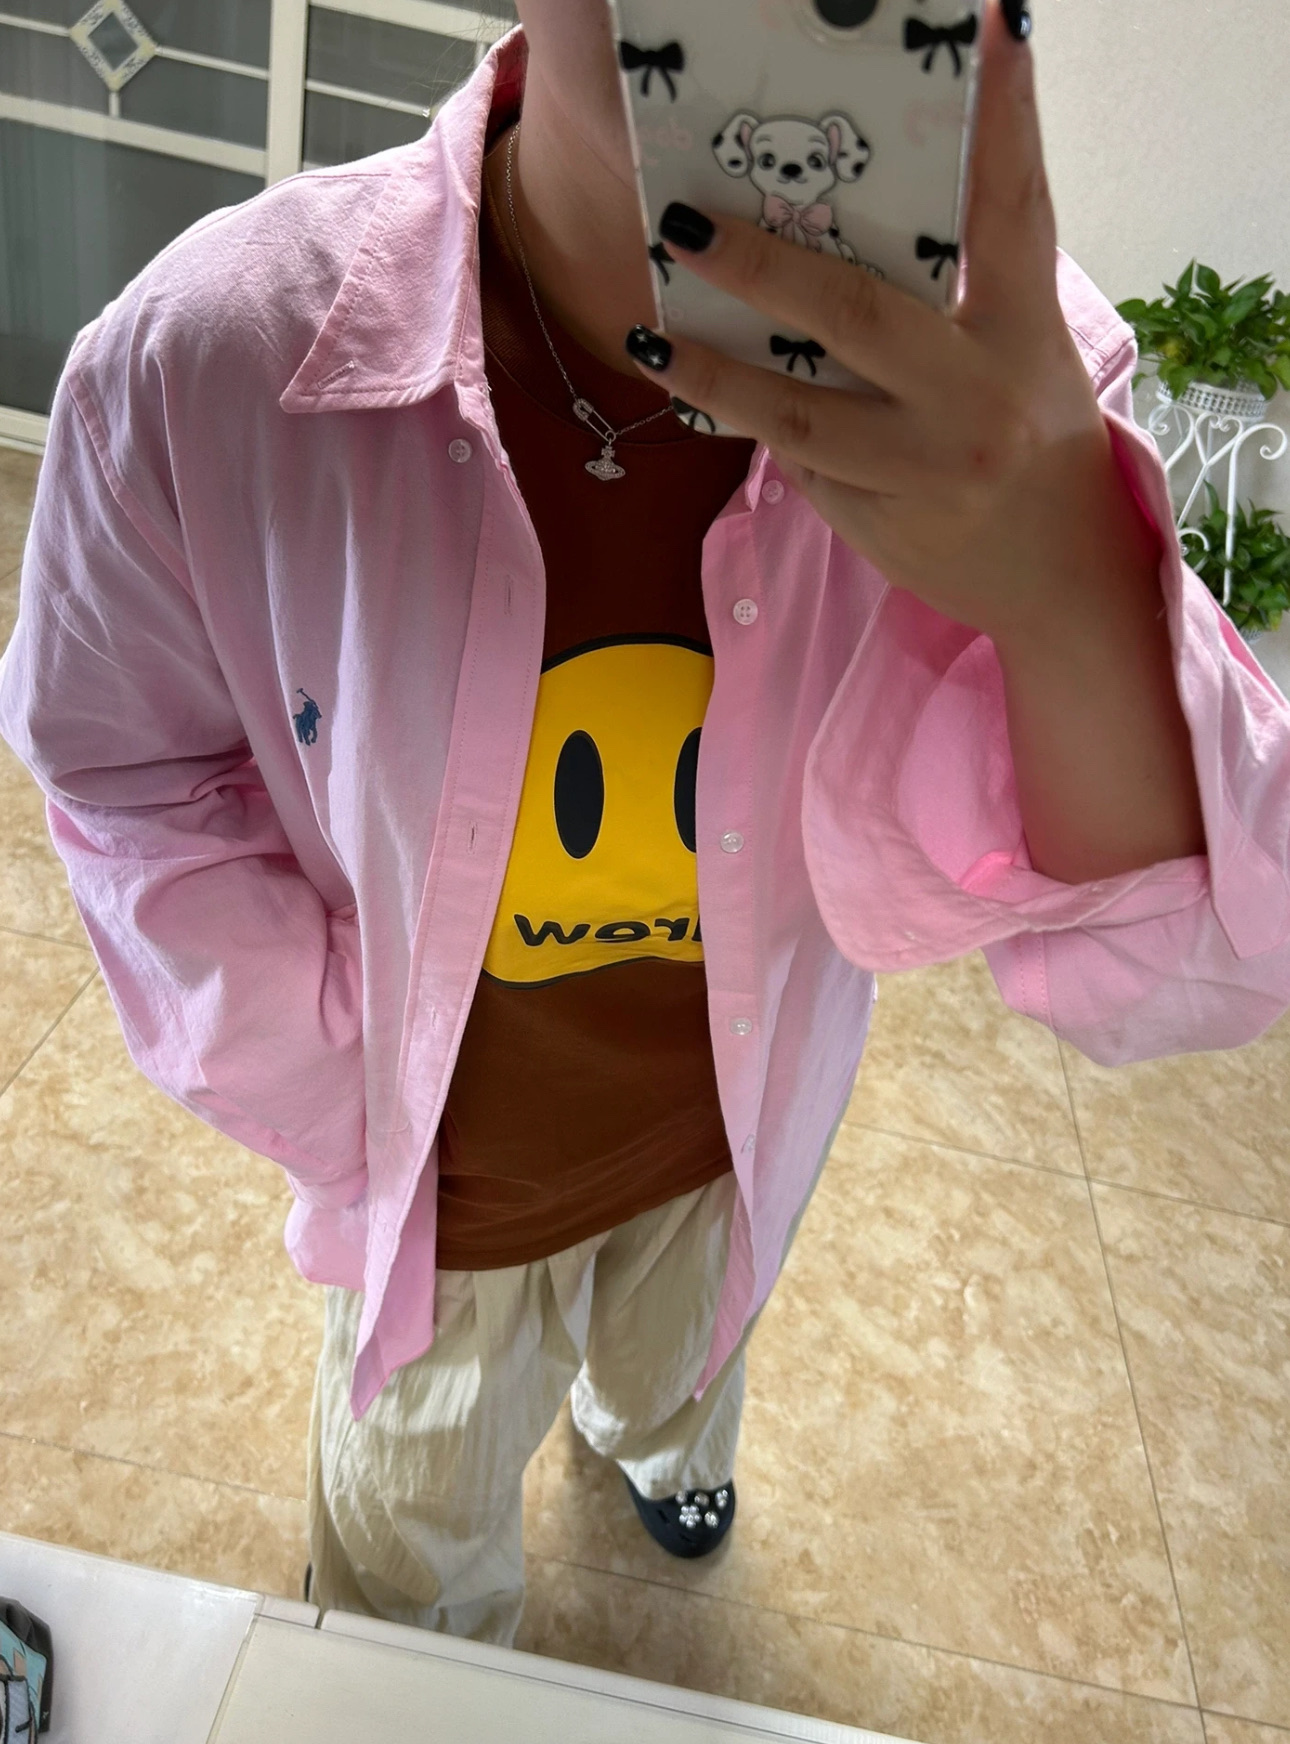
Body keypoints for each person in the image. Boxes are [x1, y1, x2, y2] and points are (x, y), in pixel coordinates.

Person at [3, 0, 1286, 1654]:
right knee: (407, 1592)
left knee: (678, 1372)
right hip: (445, 1185)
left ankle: (658, 1448)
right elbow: (122, 772)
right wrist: (336, 1077)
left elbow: (1186, 971)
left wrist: (1070, 586)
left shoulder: (1013, 409)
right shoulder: (211, 359)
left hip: (730, 1135)